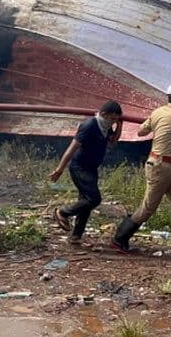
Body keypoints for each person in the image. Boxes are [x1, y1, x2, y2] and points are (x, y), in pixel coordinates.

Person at [110, 82, 171, 255]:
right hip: (163, 166)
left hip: (162, 164)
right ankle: (119, 239)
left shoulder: (158, 112)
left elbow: (141, 131)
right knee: (147, 208)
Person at [49, 100, 123, 245]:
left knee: (86, 202)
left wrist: (120, 125)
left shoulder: (105, 126)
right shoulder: (90, 126)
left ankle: (76, 236)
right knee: (93, 199)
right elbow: (72, 148)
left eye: (116, 119)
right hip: (80, 167)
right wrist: (59, 170)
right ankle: (62, 212)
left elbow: (113, 140)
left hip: (91, 167)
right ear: (103, 114)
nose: (113, 122)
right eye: (113, 119)